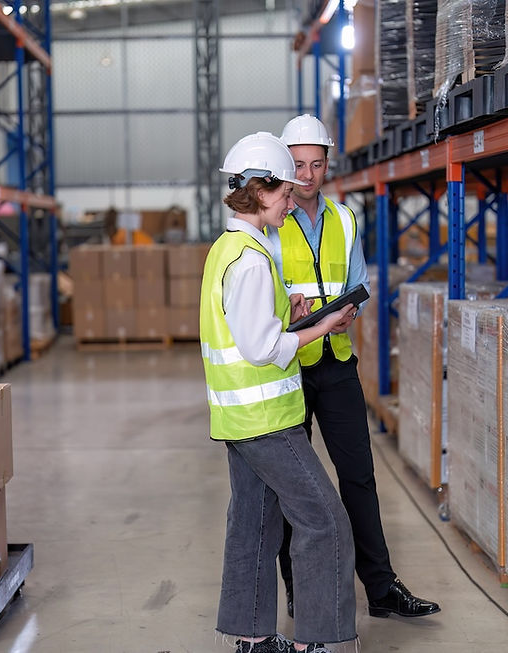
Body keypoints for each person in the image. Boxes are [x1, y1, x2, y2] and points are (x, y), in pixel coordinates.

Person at [270, 115, 440, 620]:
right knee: (292, 487)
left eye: (316, 164)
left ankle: (382, 589)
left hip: (337, 361)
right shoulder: (272, 221)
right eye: (297, 165)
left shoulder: (345, 219)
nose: (306, 175)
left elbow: (357, 280)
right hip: (290, 369)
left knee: (360, 479)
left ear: (327, 164)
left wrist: (349, 314)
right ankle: (299, 590)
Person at [201, 131, 358, 653]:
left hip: (242, 419)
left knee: (255, 521)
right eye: (285, 192)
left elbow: (243, 330)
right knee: (326, 522)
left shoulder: (231, 248)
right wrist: (323, 323)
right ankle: (324, 641)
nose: (293, 201)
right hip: (265, 420)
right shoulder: (248, 258)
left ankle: (251, 636)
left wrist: (287, 316)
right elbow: (264, 348)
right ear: (259, 190)